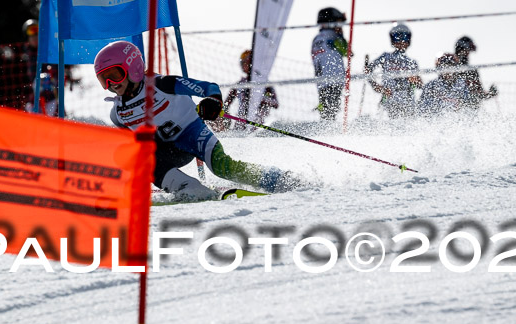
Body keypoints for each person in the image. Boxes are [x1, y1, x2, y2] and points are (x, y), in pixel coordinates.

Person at [94, 41, 303, 200]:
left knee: (223, 167)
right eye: (105, 79)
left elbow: (208, 87)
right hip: (166, 151)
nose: (111, 84)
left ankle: (279, 179)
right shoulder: (118, 113)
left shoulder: (162, 84)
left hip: (192, 135)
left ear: (133, 67)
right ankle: (189, 189)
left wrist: (213, 102)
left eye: (115, 75)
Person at [366, 23, 423, 120]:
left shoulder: (412, 62)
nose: (401, 41)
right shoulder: (386, 57)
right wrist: (379, 88)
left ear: (409, 40)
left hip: (407, 102)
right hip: (390, 100)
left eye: (404, 38)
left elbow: (420, 85)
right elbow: (367, 72)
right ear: (392, 39)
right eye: (397, 37)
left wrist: (415, 80)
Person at [213, 50, 279, 131]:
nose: (244, 65)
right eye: (243, 63)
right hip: (240, 124)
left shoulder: (264, 84)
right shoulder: (239, 84)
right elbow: (226, 105)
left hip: (258, 125)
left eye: (246, 62)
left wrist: (259, 99)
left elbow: (275, 104)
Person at [311, 7, 349, 121]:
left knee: (326, 110)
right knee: (332, 110)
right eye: (339, 23)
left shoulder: (316, 39)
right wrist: (341, 36)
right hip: (334, 79)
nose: (341, 26)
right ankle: (328, 131)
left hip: (321, 81)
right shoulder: (333, 37)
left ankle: (325, 122)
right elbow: (346, 52)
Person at [454, 36, 497, 111]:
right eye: (467, 51)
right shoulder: (471, 71)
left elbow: (479, 93)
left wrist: (490, 93)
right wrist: (491, 93)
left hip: (463, 112)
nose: (467, 54)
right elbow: (480, 94)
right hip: (466, 112)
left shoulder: (449, 68)